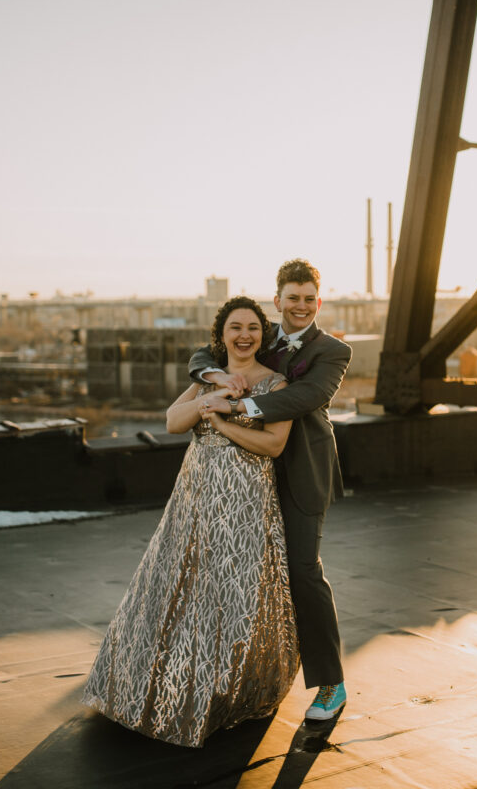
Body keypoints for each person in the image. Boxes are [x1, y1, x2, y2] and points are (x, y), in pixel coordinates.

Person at [82, 296, 299, 748]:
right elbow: (173, 421)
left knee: (234, 589)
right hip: (194, 498)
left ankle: (227, 691)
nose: (245, 335)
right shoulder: (208, 380)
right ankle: (170, 684)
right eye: (236, 327)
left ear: (263, 334)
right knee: (180, 585)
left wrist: (220, 424)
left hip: (243, 502)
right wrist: (212, 399)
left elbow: (274, 445)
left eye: (254, 328)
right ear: (222, 335)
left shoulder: (277, 385)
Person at [190, 258, 351, 721]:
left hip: (300, 472)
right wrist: (217, 377)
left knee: (303, 572)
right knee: (248, 577)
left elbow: (307, 397)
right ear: (277, 300)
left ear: (317, 303)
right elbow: (203, 355)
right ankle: (250, 676)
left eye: (308, 299)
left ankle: (330, 685)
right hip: (249, 475)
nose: (299, 307)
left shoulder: (333, 351)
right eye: (291, 298)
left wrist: (239, 408)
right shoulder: (258, 334)